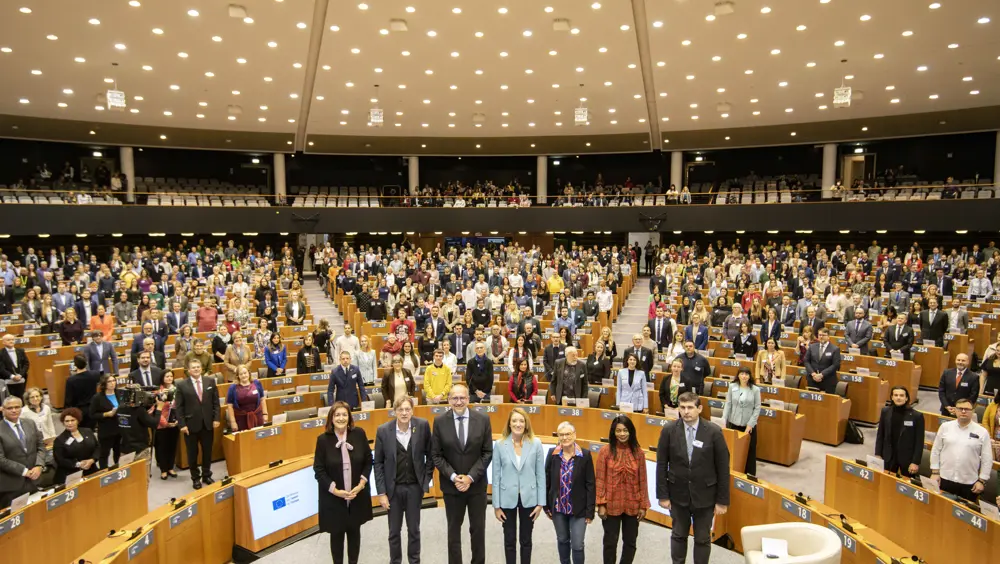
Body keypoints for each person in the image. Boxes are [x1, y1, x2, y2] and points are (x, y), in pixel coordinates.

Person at [656, 392, 730, 564]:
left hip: (705, 497)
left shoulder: (713, 432)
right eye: (682, 407)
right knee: (678, 535)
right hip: (677, 495)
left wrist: (722, 500)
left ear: (699, 409)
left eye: (690, 407)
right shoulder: (669, 430)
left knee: (703, 539)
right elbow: (661, 464)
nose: (686, 411)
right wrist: (663, 495)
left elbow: (723, 468)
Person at [431, 383, 494, 564]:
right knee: (453, 531)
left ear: (468, 399)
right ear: (449, 400)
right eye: (455, 398)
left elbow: (487, 452)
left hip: (476, 487)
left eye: (462, 398)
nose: (459, 402)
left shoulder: (482, 419)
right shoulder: (440, 421)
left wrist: (470, 477)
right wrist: (453, 476)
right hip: (452, 487)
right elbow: (436, 455)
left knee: (478, 530)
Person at [374, 395, 433, 564]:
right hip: (393, 490)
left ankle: (414, 561)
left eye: (408, 409)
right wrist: (382, 492)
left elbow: (431, 455)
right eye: (400, 410)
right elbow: (377, 463)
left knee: (414, 530)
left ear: (413, 411)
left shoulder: (422, 426)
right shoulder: (383, 430)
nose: (404, 413)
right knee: (394, 532)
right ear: (394, 412)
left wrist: (425, 480)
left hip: (415, 488)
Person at [314, 401, 374, 564]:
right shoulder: (323, 440)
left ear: (349, 417)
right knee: (337, 536)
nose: (341, 418)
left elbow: (369, 461)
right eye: (337, 415)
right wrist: (335, 490)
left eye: (344, 414)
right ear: (331, 418)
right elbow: (319, 470)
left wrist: (361, 484)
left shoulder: (359, 434)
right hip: (334, 499)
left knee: (355, 533)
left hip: (357, 496)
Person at [493, 407, 546, 564]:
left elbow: (540, 475)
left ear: (526, 424)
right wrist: (496, 505)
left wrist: (540, 503)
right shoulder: (500, 444)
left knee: (526, 540)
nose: (518, 424)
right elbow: (496, 477)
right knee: (509, 540)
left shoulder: (535, 444)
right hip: (506, 498)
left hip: (529, 498)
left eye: (521, 421)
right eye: (514, 421)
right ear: (509, 424)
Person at [596, 415, 648, 564]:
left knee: (630, 542)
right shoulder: (605, 452)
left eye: (625, 430)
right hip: (611, 504)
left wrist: (643, 505)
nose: (622, 434)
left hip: (633, 504)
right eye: (618, 431)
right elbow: (600, 479)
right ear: (613, 432)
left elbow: (643, 480)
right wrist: (601, 503)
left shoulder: (638, 453)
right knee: (610, 543)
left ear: (631, 431)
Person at [544, 420, 595, 564]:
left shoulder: (584, 455)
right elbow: (546, 480)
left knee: (577, 544)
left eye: (568, 434)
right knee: (562, 540)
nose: (565, 438)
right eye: (561, 435)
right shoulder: (552, 454)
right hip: (558, 508)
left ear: (574, 435)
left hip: (578, 509)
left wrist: (590, 511)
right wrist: (546, 505)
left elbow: (590, 483)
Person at [930, 398, 994, 502]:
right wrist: (935, 472)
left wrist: (982, 481)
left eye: (967, 409)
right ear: (955, 410)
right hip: (944, 478)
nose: (963, 411)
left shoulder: (982, 432)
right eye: (960, 409)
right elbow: (935, 451)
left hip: (969, 483)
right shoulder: (945, 427)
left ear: (973, 411)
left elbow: (987, 459)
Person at [174, 357, 221, 489]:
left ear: (201, 368)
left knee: (207, 451)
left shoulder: (210, 381)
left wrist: (216, 418)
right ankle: (195, 478)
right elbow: (179, 407)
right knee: (192, 453)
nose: (196, 369)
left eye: (198, 367)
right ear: (188, 370)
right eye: (193, 367)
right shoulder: (182, 385)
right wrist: (182, 425)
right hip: (190, 425)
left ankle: (206, 474)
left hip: (207, 424)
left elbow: (216, 402)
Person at [0, 396, 46, 508]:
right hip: (11, 486)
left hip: (34, 481)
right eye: (10, 408)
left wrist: (39, 465)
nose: (14, 410)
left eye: (17, 407)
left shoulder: (30, 423)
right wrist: (24, 471)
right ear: (2, 409)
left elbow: (40, 446)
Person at [874, 386, 924, 477]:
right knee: (886, 482)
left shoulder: (917, 416)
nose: (898, 398)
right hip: (888, 456)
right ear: (892, 397)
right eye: (896, 395)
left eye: (901, 395)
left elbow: (919, 442)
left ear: (906, 398)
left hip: (907, 459)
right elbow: (880, 434)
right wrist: (878, 454)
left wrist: (915, 462)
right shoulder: (885, 411)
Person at [721, 368, 762, 475]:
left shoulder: (755, 390)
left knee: (749, 450)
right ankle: (734, 472)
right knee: (734, 450)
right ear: (738, 375)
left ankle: (749, 474)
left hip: (748, 426)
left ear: (749, 376)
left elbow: (757, 408)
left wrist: (750, 425)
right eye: (742, 374)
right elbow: (728, 403)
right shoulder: (732, 386)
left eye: (746, 374)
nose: (744, 376)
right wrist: (723, 420)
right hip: (733, 423)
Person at [52, 407, 100, 484]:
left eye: (72, 420)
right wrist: (78, 464)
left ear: (78, 420)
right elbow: (60, 460)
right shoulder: (60, 440)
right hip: (71, 475)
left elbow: (97, 447)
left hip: (91, 470)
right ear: (63, 422)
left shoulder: (88, 431)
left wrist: (92, 460)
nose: (70, 423)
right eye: (67, 421)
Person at [90, 374, 122, 469]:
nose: (112, 383)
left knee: (118, 452)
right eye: (109, 381)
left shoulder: (120, 393)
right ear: (104, 383)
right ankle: (104, 472)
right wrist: (106, 414)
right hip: (106, 430)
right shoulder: (97, 398)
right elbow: (92, 415)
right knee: (104, 454)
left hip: (120, 429)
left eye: (114, 381)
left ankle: (118, 468)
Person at [154, 372, 181, 480]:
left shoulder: (177, 390)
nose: (169, 378)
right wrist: (165, 423)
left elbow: (180, 407)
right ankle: (163, 470)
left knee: (172, 446)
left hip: (174, 423)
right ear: (162, 378)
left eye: (171, 376)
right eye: (167, 376)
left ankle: (170, 467)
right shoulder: (158, 391)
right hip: (162, 424)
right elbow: (157, 410)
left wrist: (178, 421)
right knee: (162, 448)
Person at [226, 365, 268, 431]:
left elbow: (262, 399)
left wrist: (265, 414)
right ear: (238, 376)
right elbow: (230, 406)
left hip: (257, 416)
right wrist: (233, 422)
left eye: (245, 373)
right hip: (241, 419)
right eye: (241, 374)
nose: (244, 375)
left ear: (249, 373)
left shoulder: (257, 383)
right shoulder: (233, 387)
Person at [65, 354, 101, 428]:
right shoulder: (95, 374)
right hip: (93, 408)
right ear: (86, 363)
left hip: (79, 410)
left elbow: (68, 399)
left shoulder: (71, 380)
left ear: (75, 365)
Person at [803, 327, 841, 394]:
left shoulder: (835, 349)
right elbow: (806, 361)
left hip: (828, 381)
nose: (821, 337)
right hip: (812, 380)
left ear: (828, 336)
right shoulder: (812, 346)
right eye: (819, 335)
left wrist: (821, 374)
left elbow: (835, 365)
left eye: (823, 335)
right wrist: (813, 374)